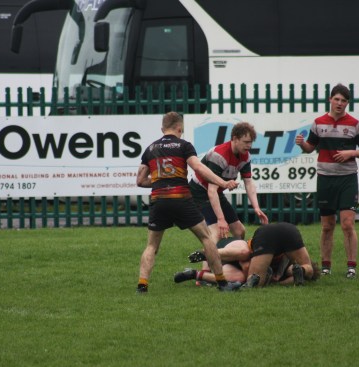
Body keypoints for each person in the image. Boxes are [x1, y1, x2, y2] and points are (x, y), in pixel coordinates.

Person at [136, 111, 240, 293]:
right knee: (207, 238)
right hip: (181, 199)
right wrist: (222, 182)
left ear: (162, 129)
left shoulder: (150, 149)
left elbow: (140, 181)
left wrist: (161, 181)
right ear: (179, 128)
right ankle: (222, 283)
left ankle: (142, 286)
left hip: (159, 200)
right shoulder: (184, 145)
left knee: (151, 246)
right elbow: (198, 167)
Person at [295, 83, 359, 279]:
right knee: (327, 225)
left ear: (347, 103)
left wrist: (351, 153)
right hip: (325, 178)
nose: (339, 103)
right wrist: (302, 144)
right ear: (330, 99)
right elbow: (310, 147)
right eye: (336, 99)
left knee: (347, 224)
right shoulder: (318, 123)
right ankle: (326, 266)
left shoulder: (355, 124)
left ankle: (351, 267)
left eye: (343, 100)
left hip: (347, 179)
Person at [189, 121, 268, 241]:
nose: (249, 146)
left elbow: (248, 182)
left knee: (239, 231)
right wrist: (221, 219)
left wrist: (256, 207)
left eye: (251, 142)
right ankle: (209, 254)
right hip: (199, 193)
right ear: (235, 139)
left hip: (216, 193)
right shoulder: (219, 155)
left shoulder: (245, 156)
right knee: (216, 233)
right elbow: (211, 191)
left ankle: (231, 254)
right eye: (246, 142)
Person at [176, 222, 320, 287]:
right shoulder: (285, 262)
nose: (291, 270)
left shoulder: (287, 264)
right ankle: (207, 253)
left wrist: (275, 280)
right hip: (235, 248)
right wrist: (275, 279)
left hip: (285, 231)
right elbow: (246, 265)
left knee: (240, 279)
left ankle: (194, 274)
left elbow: (247, 269)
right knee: (244, 255)